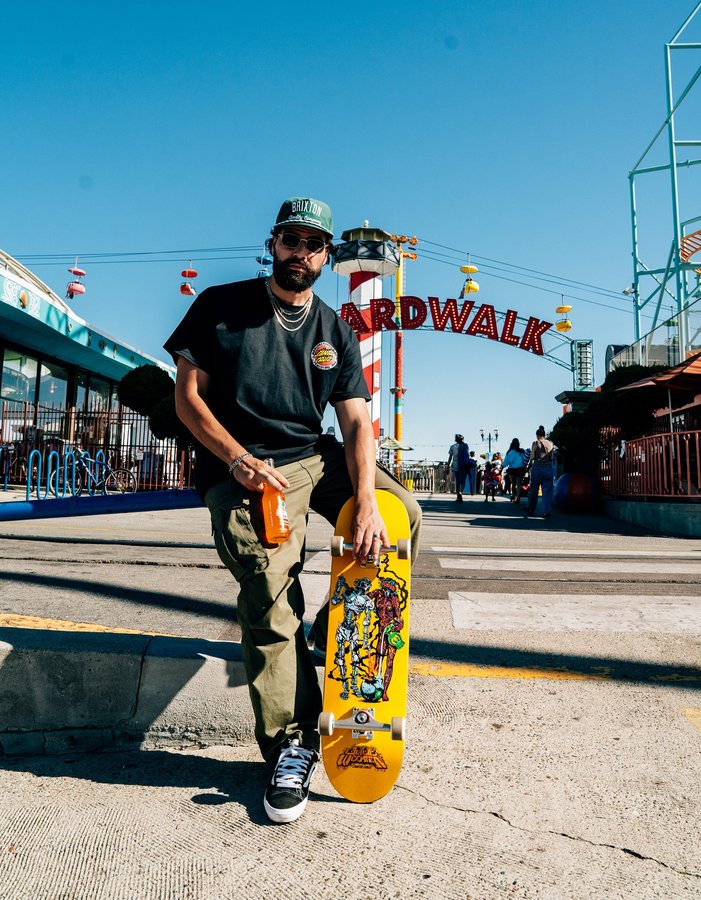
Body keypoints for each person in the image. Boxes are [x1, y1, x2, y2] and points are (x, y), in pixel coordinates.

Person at [164, 196, 422, 825]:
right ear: (273, 244)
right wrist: (236, 460)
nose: (300, 252)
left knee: (402, 510)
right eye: (291, 240)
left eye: (313, 244)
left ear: (327, 255)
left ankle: (336, 627)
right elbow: (187, 399)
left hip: (312, 457)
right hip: (244, 468)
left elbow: (356, 422)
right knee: (270, 595)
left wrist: (366, 500)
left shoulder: (336, 329)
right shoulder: (220, 306)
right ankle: (291, 744)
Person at [524, 425, 556, 518]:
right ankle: (546, 511)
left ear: (537, 435)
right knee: (547, 491)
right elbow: (552, 457)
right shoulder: (551, 443)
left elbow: (532, 457)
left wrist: (529, 465)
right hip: (548, 468)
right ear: (544, 435)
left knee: (534, 490)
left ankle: (531, 509)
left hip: (537, 468)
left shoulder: (535, 443)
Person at [502, 438, 529, 503]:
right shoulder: (522, 451)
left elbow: (506, 463)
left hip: (512, 470)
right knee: (519, 484)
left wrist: (502, 467)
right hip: (520, 469)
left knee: (513, 484)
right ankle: (518, 497)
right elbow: (525, 460)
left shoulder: (509, 452)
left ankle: (514, 497)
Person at [448, 433, 469, 501]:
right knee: (463, 481)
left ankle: (457, 497)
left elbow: (450, 457)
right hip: (463, 465)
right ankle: (461, 492)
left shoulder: (452, 446)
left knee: (457, 481)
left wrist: (448, 466)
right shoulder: (465, 446)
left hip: (455, 464)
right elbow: (467, 455)